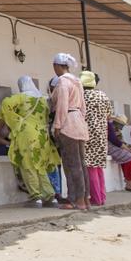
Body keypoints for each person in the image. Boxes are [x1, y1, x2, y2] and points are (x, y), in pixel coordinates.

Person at [0, 77, 62, 207]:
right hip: (42, 136)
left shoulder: (20, 98)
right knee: (41, 166)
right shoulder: (43, 99)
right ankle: (50, 196)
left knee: (28, 165)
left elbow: (5, 104)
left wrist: (17, 122)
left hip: (26, 134)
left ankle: (36, 197)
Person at [50, 53, 89, 210]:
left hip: (68, 123)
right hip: (79, 120)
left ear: (58, 66)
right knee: (81, 164)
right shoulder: (77, 81)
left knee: (71, 164)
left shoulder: (63, 82)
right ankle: (84, 198)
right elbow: (83, 106)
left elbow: (62, 105)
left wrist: (57, 125)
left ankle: (76, 200)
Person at [80, 71, 113, 206]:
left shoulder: (81, 96)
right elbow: (109, 116)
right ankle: (102, 197)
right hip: (101, 135)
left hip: (87, 134)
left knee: (90, 168)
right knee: (98, 167)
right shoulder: (102, 95)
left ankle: (96, 198)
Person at [108, 114, 131, 192]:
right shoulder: (110, 125)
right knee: (130, 156)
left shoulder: (113, 127)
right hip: (111, 146)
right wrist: (127, 148)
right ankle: (130, 182)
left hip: (116, 146)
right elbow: (115, 141)